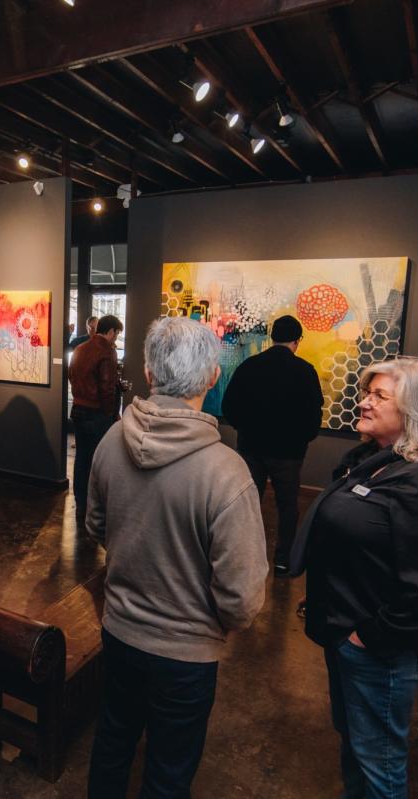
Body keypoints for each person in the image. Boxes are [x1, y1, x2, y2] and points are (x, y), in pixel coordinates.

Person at [86, 316, 269, 798]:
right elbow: (243, 597)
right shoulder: (227, 472)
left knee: (111, 744)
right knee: (168, 773)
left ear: (148, 372)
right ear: (212, 377)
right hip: (186, 653)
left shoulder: (110, 441)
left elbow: (95, 527)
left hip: (120, 631)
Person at [290, 356, 418, 799]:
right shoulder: (371, 461)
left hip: (378, 653)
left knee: (379, 768)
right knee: (356, 749)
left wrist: (367, 638)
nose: (364, 402)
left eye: (379, 396)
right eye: (368, 393)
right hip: (346, 636)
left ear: (416, 411)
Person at [221, 314, 323, 576]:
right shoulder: (305, 371)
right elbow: (314, 415)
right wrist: (302, 438)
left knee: (245, 503)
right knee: (287, 506)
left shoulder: (249, 367)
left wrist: (245, 428)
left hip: (251, 448)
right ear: (297, 341)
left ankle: (243, 556)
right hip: (289, 453)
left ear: (272, 337)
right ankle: (282, 560)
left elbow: (229, 407)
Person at [68, 314, 123, 523]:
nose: (116, 339)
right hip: (97, 414)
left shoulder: (81, 348)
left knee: (81, 458)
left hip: (78, 409)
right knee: (98, 461)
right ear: (110, 332)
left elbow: (71, 375)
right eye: (116, 334)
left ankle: (80, 505)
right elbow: (107, 387)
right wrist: (111, 414)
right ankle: (95, 509)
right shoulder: (106, 351)